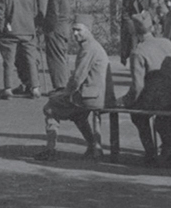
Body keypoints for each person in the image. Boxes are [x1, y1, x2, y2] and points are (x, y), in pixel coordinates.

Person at [35, 15, 113, 162]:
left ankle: (50, 149)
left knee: (50, 108)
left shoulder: (88, 48)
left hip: (92, 97)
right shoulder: (93, 45)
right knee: (77, 115)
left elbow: (78, 77)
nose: (75, 34)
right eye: (73, 30)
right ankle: (93, 146)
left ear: (88, 30)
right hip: (99, 95)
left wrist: (64, 93)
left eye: (79, 30)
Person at [122, 13, 171, 167]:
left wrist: (126, 101)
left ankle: (151, 154)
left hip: (159, 99)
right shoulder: (166, 42)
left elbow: (138, 87)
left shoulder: (138, 52)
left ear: (134, 32)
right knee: (165, 121)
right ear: (151, 27)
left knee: (137, 115)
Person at [0, 0, 44, 99]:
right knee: (31, 60)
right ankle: (35, 88)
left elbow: (0, 14)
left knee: (9, 61)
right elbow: (35, 12)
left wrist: (1, 29)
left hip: (10, 32)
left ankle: (8, 89)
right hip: (28, 31)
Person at [15, 0, 50, 82]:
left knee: (31, 56)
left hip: (32, 27)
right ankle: (25, 83)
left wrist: (39, 25)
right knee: (19, 58)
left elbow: (42, 6)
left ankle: (34, 84)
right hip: (17, 26)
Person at [41, 0, 72, 92]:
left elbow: (53, 13)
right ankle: (65, 84)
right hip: (64, 28)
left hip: (56, 29)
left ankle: (60, 86)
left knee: (55, 58)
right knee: (62, 57)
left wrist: (46, 27)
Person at [119, 0, 157, 66]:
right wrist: (133, 25)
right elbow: (125, 15)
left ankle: (150, 63)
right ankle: (134, 64)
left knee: (150, 42)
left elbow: (154, 8)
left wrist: (147, 15)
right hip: (133, 23)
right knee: (133, 41)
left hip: (147, 22)